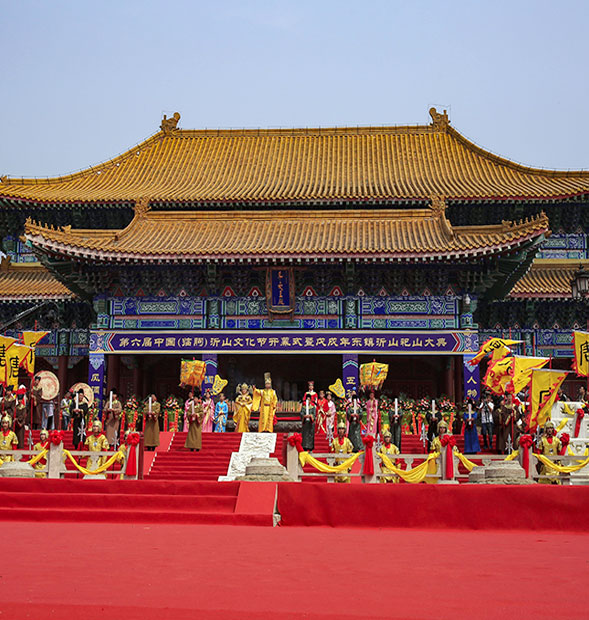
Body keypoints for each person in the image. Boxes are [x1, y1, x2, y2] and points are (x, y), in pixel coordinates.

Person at [536, 420, 562, 484]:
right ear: (545, 430)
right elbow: (539, 452)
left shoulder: (557, 440)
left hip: (554, 465)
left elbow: (560, 452)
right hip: (545, 465)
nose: (550, 430)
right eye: (548, 428)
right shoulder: (542, 440)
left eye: (551, 428)